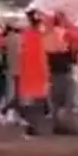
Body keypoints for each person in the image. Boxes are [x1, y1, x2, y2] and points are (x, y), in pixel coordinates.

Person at [17, 9, 51, 137]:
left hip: (28, 71)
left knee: (31, 102)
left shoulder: (26, 36)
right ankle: (33, 127)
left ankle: (32, 126)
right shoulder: (40, 36)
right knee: (38, 102)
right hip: (38, 71)